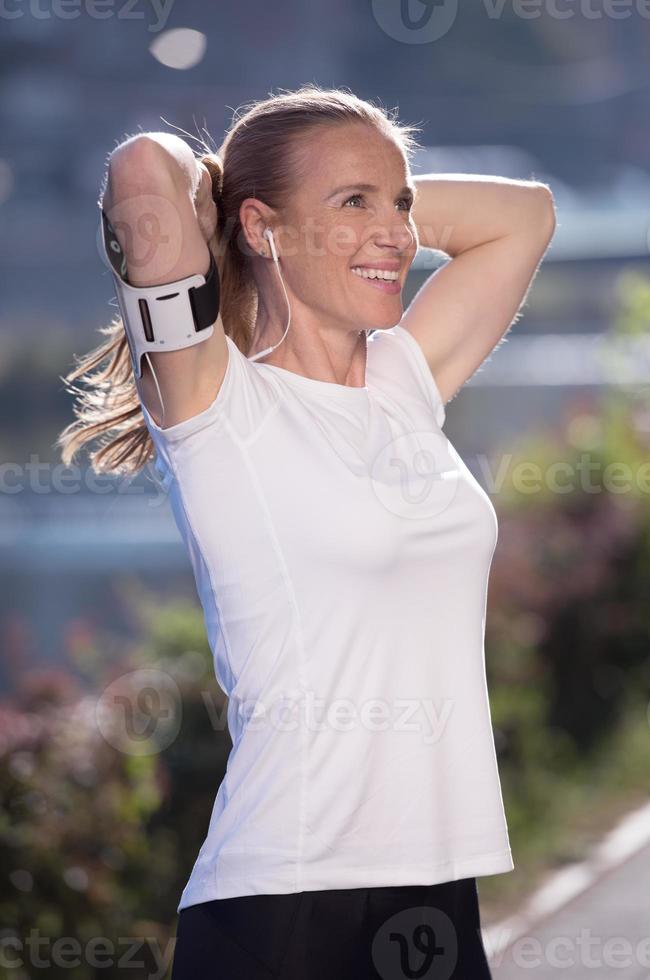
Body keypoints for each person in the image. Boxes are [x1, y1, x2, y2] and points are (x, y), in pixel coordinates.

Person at [58, 83, 556, 979]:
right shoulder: (214, 405)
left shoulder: (401, 383)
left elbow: (526, 215)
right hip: (286, 903)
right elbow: (142, 172)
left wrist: (350, 214)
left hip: (435, 895)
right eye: (356, 201)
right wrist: (243, 202)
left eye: (399, 203)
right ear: (257, 226)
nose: (395, 232)